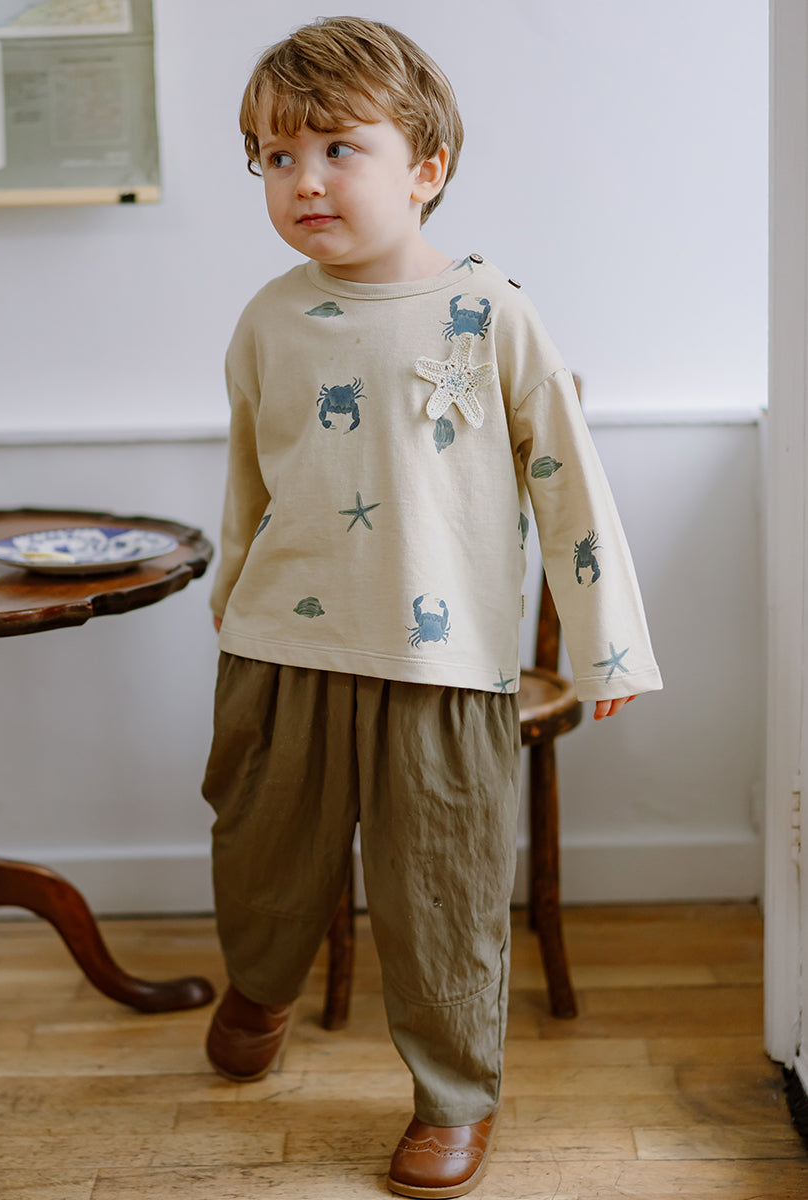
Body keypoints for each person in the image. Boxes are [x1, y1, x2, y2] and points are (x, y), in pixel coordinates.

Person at [202, 16, 662, 1198]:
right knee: (260, 853)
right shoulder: (267, 319)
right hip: (282, 643)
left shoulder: (493, 312)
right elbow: (250, 475)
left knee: (441, 893)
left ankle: (454, 1097)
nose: (305, 181)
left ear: (425, 167)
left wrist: (607, 643)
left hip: (442, 661)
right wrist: (230, 590)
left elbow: (569, 484)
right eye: (276, 158)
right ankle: (261, 984)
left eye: (337, 149)